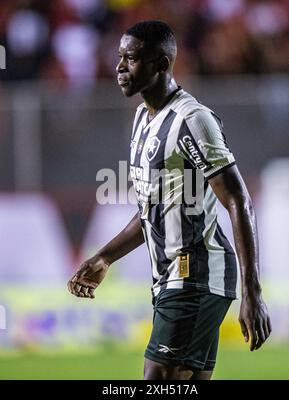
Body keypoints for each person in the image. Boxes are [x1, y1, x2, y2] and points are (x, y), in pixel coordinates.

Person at [68, 20, 272, 380]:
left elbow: (239, 199)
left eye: (131, 59)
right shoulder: (142, 120)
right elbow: (154, 209)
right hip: (171, 277)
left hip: (194, 272)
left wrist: (252, 291)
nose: (119, 68)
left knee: (157, 379)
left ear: (161, 64)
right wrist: (105, 256)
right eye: (119, 57)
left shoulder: (192, 119)